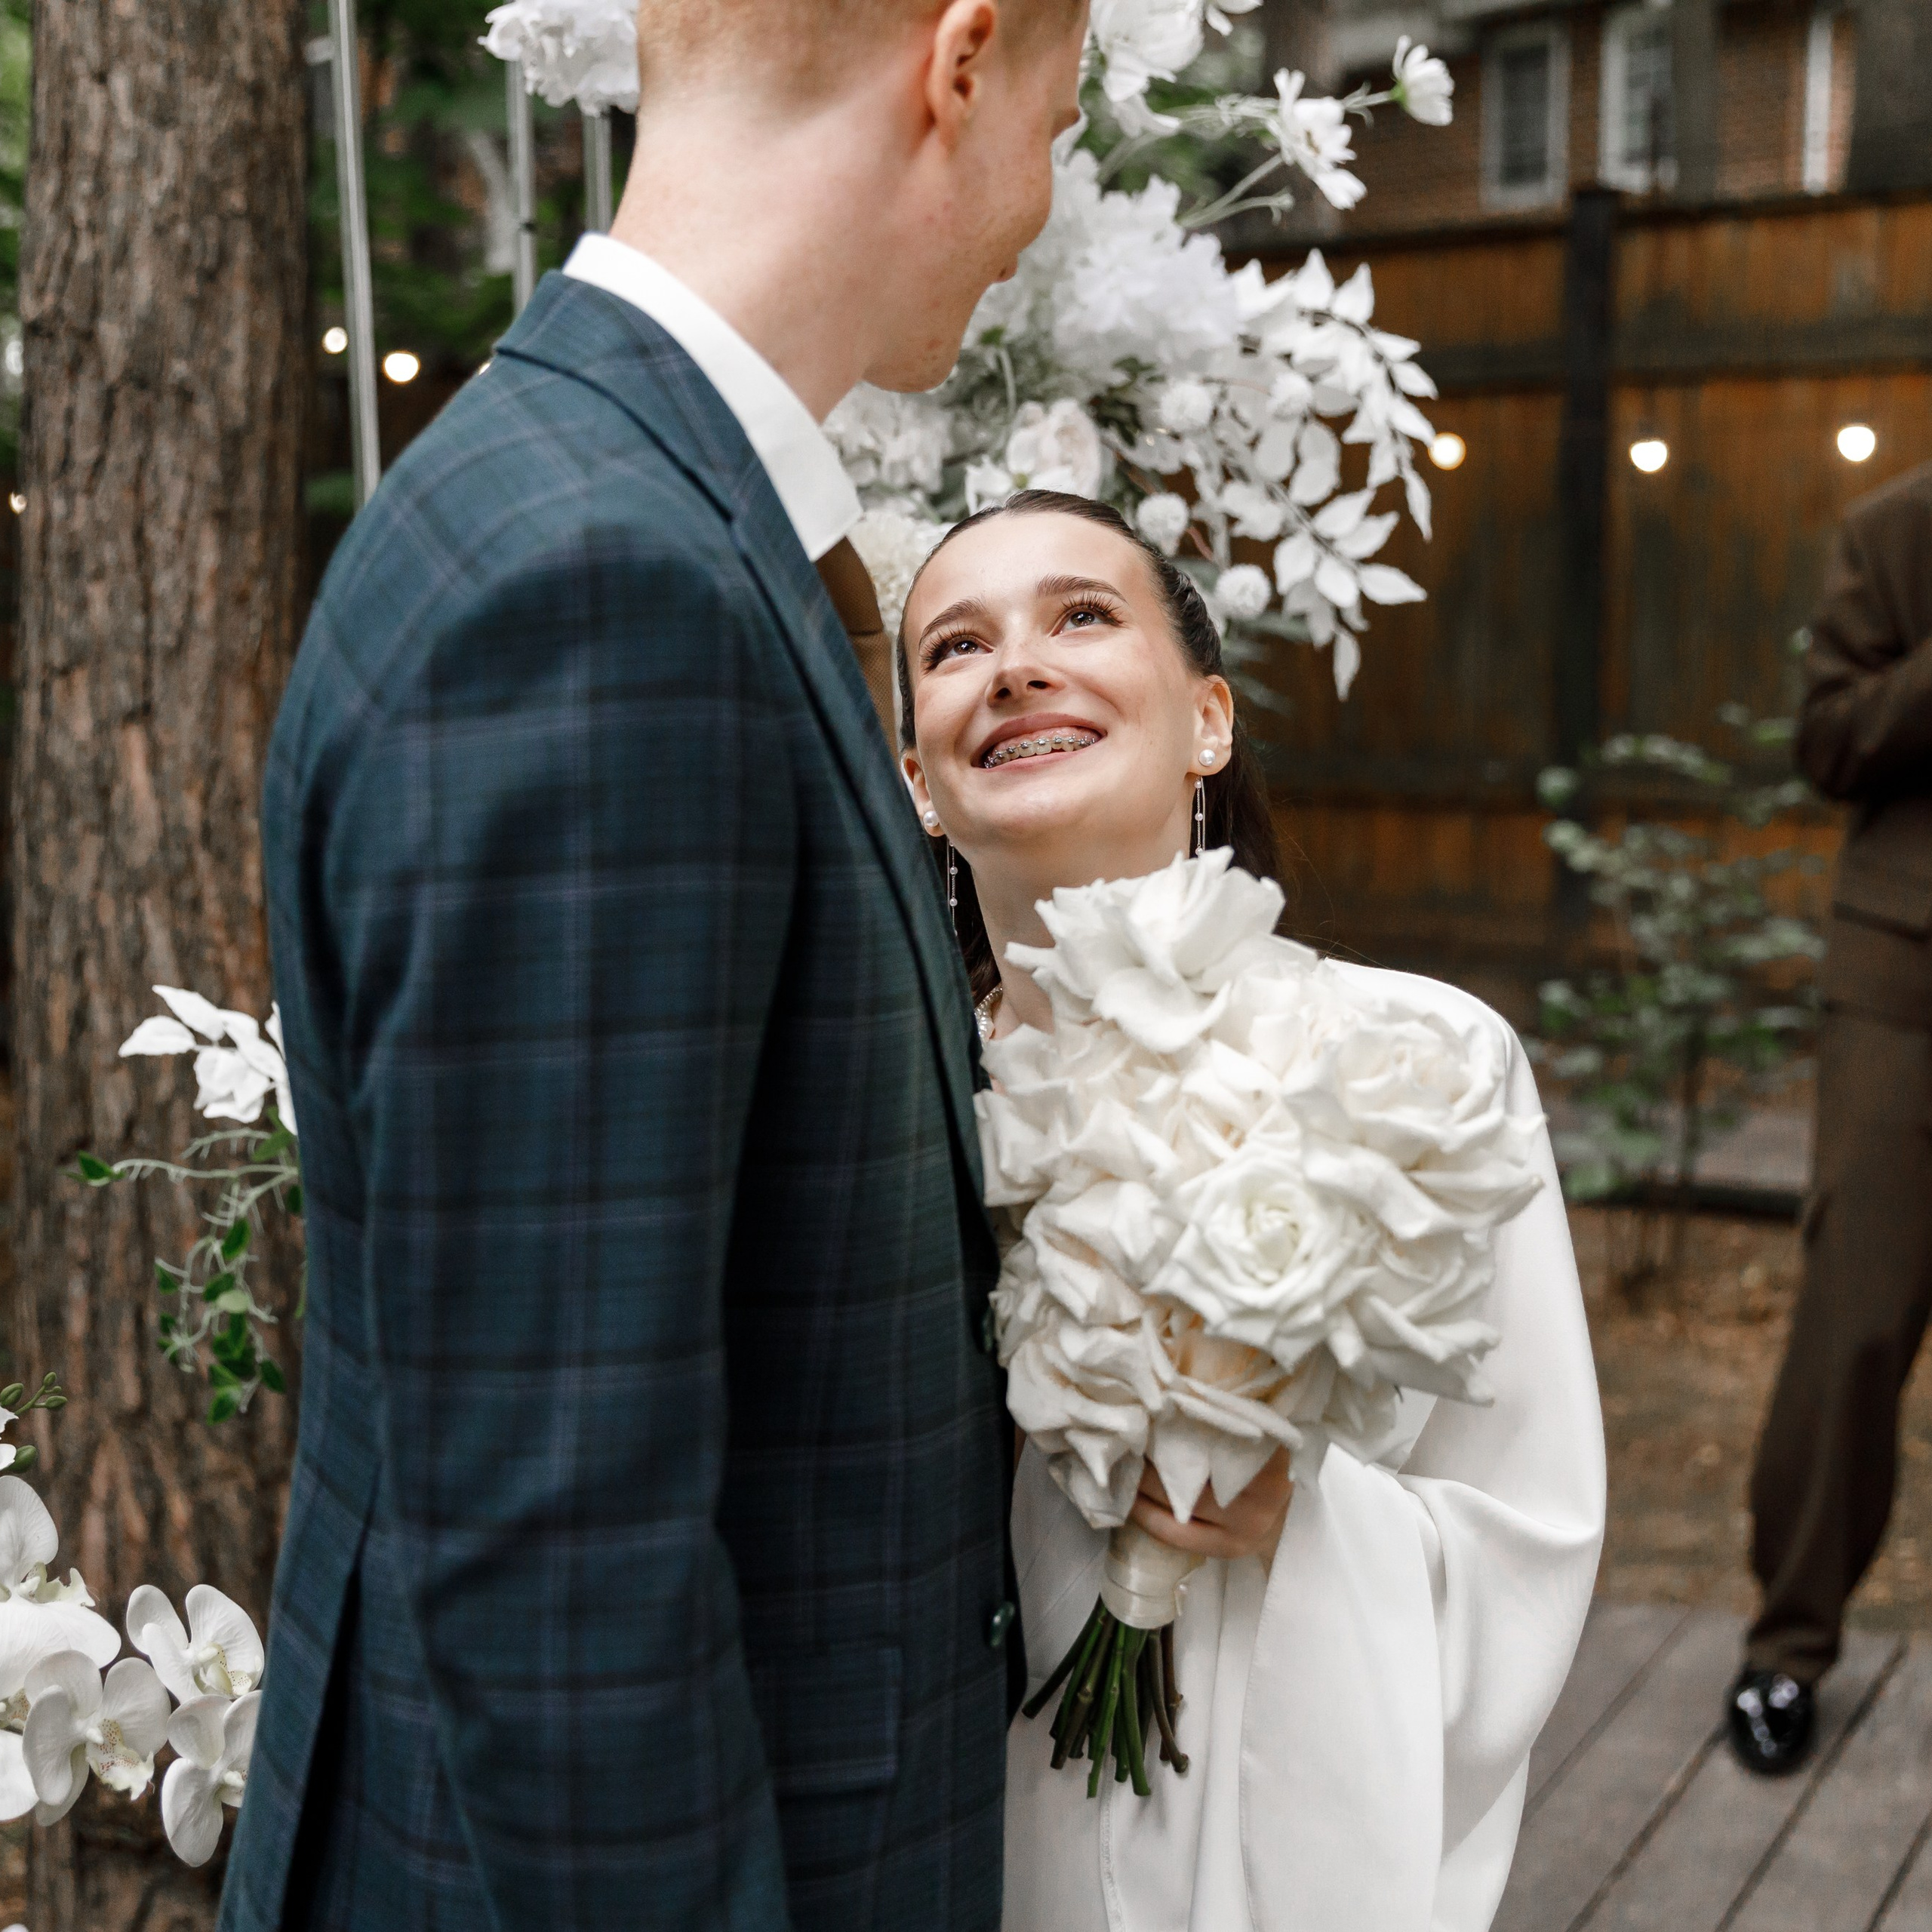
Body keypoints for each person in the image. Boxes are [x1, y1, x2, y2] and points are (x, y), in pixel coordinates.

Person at [223, 5, 1088, 1929]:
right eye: (1062, 108)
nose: (1044, 192)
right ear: (954, 68)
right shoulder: (606, 586)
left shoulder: (601, 497)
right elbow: (560, 1556)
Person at [896, 491, 1607, 1932]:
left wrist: (1300, 1507)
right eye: (957, 647)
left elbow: (1529, 1523)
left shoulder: (1426, 1063)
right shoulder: (890, 1115)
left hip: (1295, 1828)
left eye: (1082, 616)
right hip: (964, 1833)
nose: (1019, 665)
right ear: (919, 780)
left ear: (1208, 719)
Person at [1730, 457, 1932, 1776]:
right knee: (1855, 1319)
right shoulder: (1893, 531)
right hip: (1904, 981)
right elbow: (1832, 742)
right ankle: (1787, 1648)